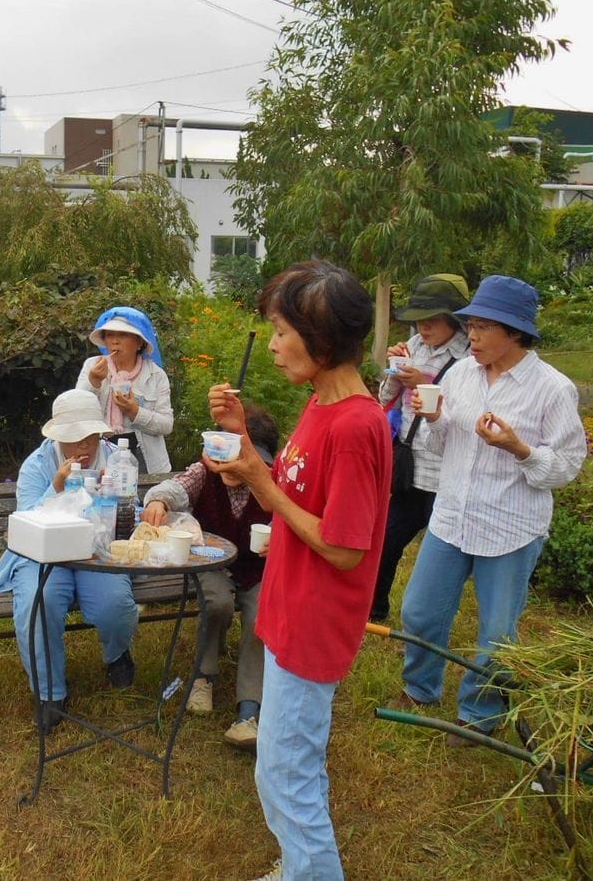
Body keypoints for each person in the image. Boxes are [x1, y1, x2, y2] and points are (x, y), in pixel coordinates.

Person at [205, 261, 391, 879]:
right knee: (280, 766)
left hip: (315, 621)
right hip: (288, 606)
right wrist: (246, 446)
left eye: (282, 331)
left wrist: (261, 480)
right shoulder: (318, 405)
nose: (276, 345)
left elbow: (344, 549)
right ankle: (297, 869)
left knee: (289, 770)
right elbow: (289, 494)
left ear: (322, 337)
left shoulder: (358, 426)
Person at [396, 274, 586, 746]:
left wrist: (519, 448)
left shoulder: (552, 389)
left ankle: (479, 716)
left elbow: (565, 466)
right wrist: (434, 417)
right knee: (419, 611)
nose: (472, 337)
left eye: (482, 328)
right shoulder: (460, 374)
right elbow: (442, 443)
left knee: (497, 634)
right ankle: (420, 689)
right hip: (452, 515)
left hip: (511, 525)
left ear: (515, 332)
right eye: (471, 326)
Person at [0, 389, 140, 732]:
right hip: (44, 555)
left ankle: (117, 653)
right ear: (57, 436)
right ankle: (49, 692)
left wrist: (114, 498)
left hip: (95, 551)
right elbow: (25, 520)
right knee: (39, 602)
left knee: (114, 604)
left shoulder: (116, 459)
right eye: (74, 440)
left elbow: (133, 509)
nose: (83, 447)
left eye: (89, 437)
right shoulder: (38, 464)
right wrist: (56, 486)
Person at [141, 403, 279, 752]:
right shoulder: (204, 473)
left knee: (261, 617)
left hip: (259, 568)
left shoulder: (273, 482)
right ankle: (204, 674)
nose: (232, 467)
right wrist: (158, 500)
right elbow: (175, 487)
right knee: (217, 603)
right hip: (212, 563)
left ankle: (249, 709)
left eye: (245, 458)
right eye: (226, 455)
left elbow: (291, 516)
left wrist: (279, 538)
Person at [370, 274, 471, 623]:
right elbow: (386, 399)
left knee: (443, 553)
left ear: (454, 319)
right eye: (419, 319)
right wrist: (395, 372)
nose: (423, 326)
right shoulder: (414, 346)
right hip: (412, 463)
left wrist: (424, 382)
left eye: (432, 318)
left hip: (447, 470)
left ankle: (435, 617)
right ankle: (375, 609)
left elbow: (465, 409)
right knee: (386, 539)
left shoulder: (469, 356)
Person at [76, 306, 173, 473]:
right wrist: (93, 382)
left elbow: (166, 425)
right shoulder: (93, 365)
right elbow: (78, 410)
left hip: (147, 462)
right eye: (110, 335)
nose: (115, 341)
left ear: (139, 342)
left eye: (123, 334)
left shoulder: (156, 375)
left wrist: (135, 411)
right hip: (101, 457)